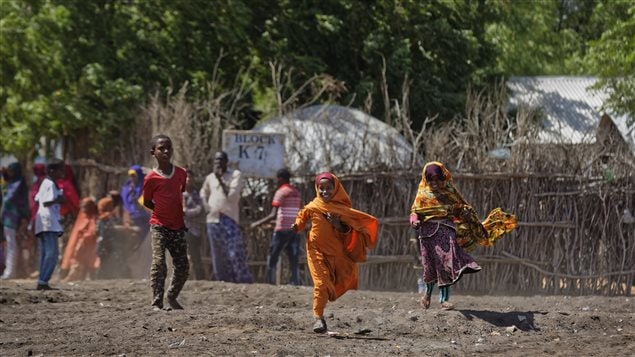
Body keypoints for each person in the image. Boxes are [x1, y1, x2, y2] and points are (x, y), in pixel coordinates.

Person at [409, 161, 517, 310]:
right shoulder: (422, 195)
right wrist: (414, 221)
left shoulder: (449, 193)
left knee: (446, 265)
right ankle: (426, 295)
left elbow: (460, 208)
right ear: (426, 180)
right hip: (427, 235)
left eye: (437, 180)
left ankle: (443, 300)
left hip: (446, 232)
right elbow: (415, 212)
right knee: (429, 267)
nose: (434, 183)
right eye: (431, 180)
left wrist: (465, 213)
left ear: (442, 179)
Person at [292, 172, 378, 333]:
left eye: (328, 188)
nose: (325, 191)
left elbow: (349, 231)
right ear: (317, 189)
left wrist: (337, 224)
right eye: (321, 188)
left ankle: (326, 296)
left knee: (334, 281)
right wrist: (297, 226)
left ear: (336, 188)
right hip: (315, 251)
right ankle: (318, 318)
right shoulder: (313, 206)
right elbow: (302, 217)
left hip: (336, 254)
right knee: (321, 283)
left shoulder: (342, 210)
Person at [142, 134, 189, 310]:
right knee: (159, 263)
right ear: (153, 152)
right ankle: (156, 302)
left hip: (178, 226)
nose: (166, 151)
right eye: (161, 148)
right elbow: (147, 201)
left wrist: (176, 216)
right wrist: (161, 213)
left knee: (183, 266)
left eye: (169, 147)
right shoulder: (151, 178)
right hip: (159, 226)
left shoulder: (181, 174)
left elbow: (180, 194)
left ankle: (172, 296)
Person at [200, 151, 253, 283]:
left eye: (220, 160)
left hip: (229, 217)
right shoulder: (210, 177)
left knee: (235, 251)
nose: (218, 163)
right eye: (216, 161)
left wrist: (220, 180)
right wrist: (206, 206)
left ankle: (241, 279)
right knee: (217, 253)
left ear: (226, 162)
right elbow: (203, 192)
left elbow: (232, 197)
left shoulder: (235, 175)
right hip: (212, 219)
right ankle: (222, 279)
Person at [250, 168, 302, 285]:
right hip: (295, 229)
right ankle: (296, 282)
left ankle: (271, 283)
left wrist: (257, 223)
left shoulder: (281, 192)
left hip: (282, 229)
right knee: (293, 258)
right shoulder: (297, 193)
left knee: (273, 256)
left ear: (281, 179)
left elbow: (273, 214)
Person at [33, 158, 67, 290]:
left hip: (46, 221)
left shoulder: (46, 183)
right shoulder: (49, 184)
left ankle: (42, 281)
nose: (62, 173)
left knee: (46, 253)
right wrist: (60, 199)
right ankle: (43, 281)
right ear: (52, 171)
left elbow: (38, 200)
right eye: (60, 170)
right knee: (52, 254)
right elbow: (47, 202)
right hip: (48, 222)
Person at [1, 162, 30, 279]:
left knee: (11, 244)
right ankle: (9, 270)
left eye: (11, 171)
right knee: (9, 244)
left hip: (13, 217)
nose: (10, 173)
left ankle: (10, 272)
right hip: (8, 217)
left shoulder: (18, 184)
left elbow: (8, 198)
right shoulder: (14, 183)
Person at [60, 197, 99, 281]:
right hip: (79, 243)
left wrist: (85, 236)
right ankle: (73, 275)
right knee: (75, 258)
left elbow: (93, 231)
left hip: (89, 244)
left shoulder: (93, 217)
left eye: (86, 206)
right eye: (83, 206)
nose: (84, 209)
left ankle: (87, 275)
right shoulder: (81, 216)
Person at [183, 168, 206, 280]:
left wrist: (185, 212)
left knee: (195, 256)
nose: (188, 180)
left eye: (190, 177)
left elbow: (199, 209)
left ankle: (200, 278)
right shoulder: (179, 194)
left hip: (194, 230)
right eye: (186, 177)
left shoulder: (197, 195)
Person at [121, 165, 151, 248]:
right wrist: (126, 219)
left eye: (134, 175)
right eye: (130, 175)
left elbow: (142, 206)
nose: (132, 178)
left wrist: (135, 199)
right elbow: (125, 206)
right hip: (130, 218)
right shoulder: (126, 189)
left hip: (143, 218)